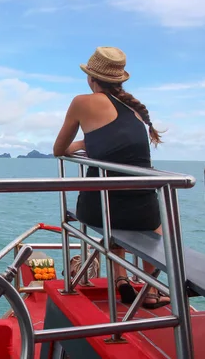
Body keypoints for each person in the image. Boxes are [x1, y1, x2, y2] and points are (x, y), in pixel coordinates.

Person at [52, 46, 170, 309]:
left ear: (91, 78)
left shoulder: (82, 102)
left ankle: (121, 280)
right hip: (142, 209)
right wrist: (93, 142)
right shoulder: (135, 111)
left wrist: (83, 144)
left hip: (96, 208)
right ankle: (150, 291)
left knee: (112, 213)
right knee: (153, 228)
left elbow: (59, 150)